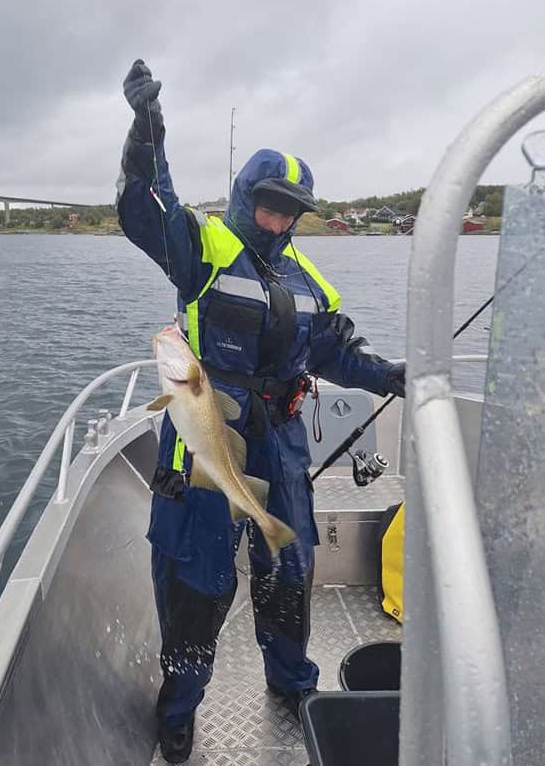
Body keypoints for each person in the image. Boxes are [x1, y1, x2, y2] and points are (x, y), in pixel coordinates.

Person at [116, 60, 405, 764]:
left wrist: (396, 373)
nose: (277, 217)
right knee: (196, 580)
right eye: (268, 202)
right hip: (203, 436)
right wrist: (147, 133)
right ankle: (180, 706)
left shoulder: (310, 281)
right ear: (246, 196)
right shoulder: (203, 250)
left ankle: (293, 681)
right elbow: (145, 206)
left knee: (288, 566)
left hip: (280, 441)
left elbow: (337, 353)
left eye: (289, 209)